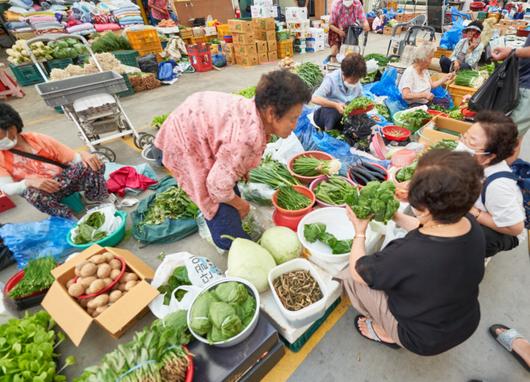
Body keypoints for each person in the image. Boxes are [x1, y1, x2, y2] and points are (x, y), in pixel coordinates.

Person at [339, 149, 486, 355]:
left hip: (422, 338)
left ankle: (388, 332)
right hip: (464, 321)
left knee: (349, 276)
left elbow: (359, 271)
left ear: (425, 209)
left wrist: (360, 232)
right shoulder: (469, 224)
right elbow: (427, 226)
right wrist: (395, 215)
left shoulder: (409, 253)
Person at [154, 70, 312, 250]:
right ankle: (230, 242)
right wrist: (241, 205)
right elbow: (215, 187)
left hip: (194, 123)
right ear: (271, 114)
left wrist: (238, 175)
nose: (296, 124)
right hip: (183, 142)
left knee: (227, 187)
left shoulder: (255, 113)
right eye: (293, 118)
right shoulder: (244, 140)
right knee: (221, 213)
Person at [0, 103, 109, 219]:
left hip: (63, 181)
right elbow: (6, 188)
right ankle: (71, 217)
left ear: (12, 128)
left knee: (92, 163)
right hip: (43, 194)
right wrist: (28, 182)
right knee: (31, 193)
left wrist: (85, 155)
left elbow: (74, 158)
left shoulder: (37, 139)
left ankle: (97, 201)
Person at [456, 111, 525, 257]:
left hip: (503, 231)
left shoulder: (497, 185)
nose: (462, 143)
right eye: (465, 136)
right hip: (483, 208)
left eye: (471, 142)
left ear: (490, 156)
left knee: (467, 240)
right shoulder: (476, 161)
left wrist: (475, 213)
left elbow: (516, 228)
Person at [492, 33, 530, 159]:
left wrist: (514, 52)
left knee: (509, 137)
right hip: (523, 82)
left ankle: (500, 175)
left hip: (527, 87)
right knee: (515, 136)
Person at [312, 54, 367, 131]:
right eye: (353, 80)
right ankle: (329, 133)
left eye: (357, 80)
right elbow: (314, 98)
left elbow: (360, 100)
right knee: (332, 112)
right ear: (344, 74)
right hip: (324, 115)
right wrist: (335, 105)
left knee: (363, 119)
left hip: (344, 115)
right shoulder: (331, 79)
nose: (356, 82)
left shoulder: (357, 82)